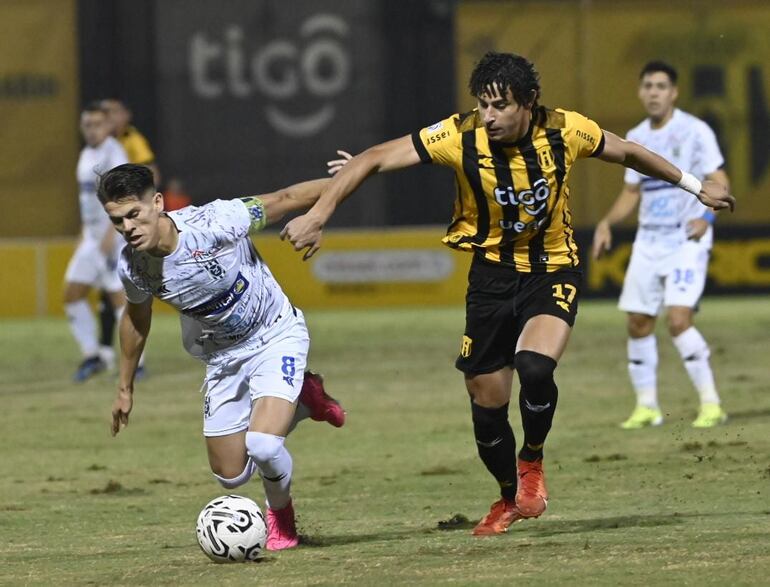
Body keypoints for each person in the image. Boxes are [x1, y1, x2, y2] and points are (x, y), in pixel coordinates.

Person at [281, 52, 734, 536]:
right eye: (483, 105)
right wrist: (319, 215)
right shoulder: (461, 134)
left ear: (529, 103)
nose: (489, 116)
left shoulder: (566, 129)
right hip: (491, 279)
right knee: (487, 404)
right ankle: (507, 497)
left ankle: (532, 462)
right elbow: (373, 159)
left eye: (500, 106)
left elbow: (628, 151)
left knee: (536, 366)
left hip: (552, 268)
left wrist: (693, 186)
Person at [99, 163, 345, 551]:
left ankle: (283, 522)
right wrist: (124, 387)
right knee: (231, 476)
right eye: (117, 221)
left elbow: (285, 199)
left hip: (274, 333)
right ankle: (303, 399)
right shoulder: (133, 266)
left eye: (134, 214)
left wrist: (350, 178)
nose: (128, 227)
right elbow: (136, 318)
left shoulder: (216, 221)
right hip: (221, 357)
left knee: (263, 446)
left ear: (158, 203)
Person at [592, 61, 730, 430]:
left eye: (661, 86)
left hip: (687, 237)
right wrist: (606, 222)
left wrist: (708, 217)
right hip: (648, 240)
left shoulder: (695, 131)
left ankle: (711, 404)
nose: (653, 92)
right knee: (638, 322)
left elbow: (718, 177)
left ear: (674, 92)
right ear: (640, 92)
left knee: (679, 320)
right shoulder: (636, 137)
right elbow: (631, 192)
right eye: (648, 86)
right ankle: (647, 406)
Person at [64, 101, 129, 382]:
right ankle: (94, 355)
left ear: (108, 126)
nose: (91, 129)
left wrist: (110, 234)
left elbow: (123, 198)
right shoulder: (86, 154)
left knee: (119, 299)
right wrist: (84, 234)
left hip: (111, 238)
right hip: (91, 238)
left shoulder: (114, 153)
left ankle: (136, 362)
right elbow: (88, 200)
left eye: (97, 124)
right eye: (87, 124)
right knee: (72, 295)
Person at [98, 98, 162, 370]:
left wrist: (139, 214)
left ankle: (130, 358)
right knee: (106, 289)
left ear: (125, 115)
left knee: (121, 287)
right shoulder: (103, 147)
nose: (108, 118)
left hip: (126, 223)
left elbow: (152, 173)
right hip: (107, 224)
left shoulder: (132, 141)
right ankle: (103, 351)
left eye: (112, 113)